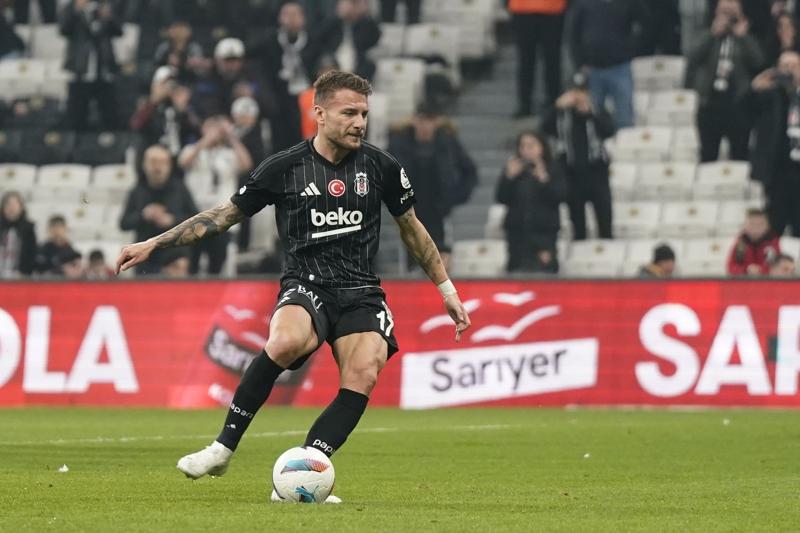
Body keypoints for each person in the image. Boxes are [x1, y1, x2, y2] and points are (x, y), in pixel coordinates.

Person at [115, 71, 471, 502]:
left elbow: (412, 229)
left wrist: (447, 291)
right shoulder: (284, 167)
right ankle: (222, 449)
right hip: (307, 282)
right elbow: (223, 216)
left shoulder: (381, 167)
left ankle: (304, 473)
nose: (359, 123)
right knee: (285, 341)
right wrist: (154, 243)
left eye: (363, 114)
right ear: (319, 114)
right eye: (349, 113)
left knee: (365, 370)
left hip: (361, 290)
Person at [387, 103, 478, 269]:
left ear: (436, 122)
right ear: (414, 120)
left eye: (429, 120)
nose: (425, 125)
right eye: (422, 120)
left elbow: (470, 172)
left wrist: (456, 196)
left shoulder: (448, 143)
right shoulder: (399, 143)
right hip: (410, 210)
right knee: (411, 256)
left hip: (439, 210)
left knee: (441, 258)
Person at [686, 0, 764, 162]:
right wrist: (712, 34)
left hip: (738, 104)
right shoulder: (707, 32)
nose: (728, 17)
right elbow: (693, 56)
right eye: (724, 11)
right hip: (709, 103)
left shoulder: (747, 35)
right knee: (708, 155)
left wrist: (743, 37)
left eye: (732, 12)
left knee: (740, 154)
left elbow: (758, 61)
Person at [541, 73, 615, 240]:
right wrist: (556, 107)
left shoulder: (597, 108)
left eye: (582, 91)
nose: (577, 96)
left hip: (596, 172)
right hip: (571, 173)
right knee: (577, 226)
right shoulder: (560, 113)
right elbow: (544, 129)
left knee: (605, 221)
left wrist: (590, 113)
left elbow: (609, 130)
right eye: (574, 91)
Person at [179, 116, 253, 275]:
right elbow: (183, 162)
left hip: (221, 217)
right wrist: (204, 142)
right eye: (210, 127)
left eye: (217, 128)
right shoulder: (192, 149)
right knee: (193, 263)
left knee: (221, 263)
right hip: (195, 215)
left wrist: (231, 137)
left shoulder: (229, 154)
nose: (214, 132)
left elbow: (247, 164)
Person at [248, 1, 320, 151]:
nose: (292, 19)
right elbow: (250, 57)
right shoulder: (269, 41)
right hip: (278, 97)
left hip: (307, 96)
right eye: (287, 14)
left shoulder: (313, 41)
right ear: (279, 18)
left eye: (296, 14)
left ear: (304, 18)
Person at [568, 0, 648, 129]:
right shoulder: (582, 3)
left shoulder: (628, 2)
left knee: (625, 119)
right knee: (593, 118)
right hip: (591, 70)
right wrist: (579, 63)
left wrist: (632, 49)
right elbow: (573, 34)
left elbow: (645, 22)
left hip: (620, 67)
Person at [119, 144, 198, 274]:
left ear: (169, 165)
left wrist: (172, 220)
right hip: (146, 252)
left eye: (162, 162)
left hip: (174, 249)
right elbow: (124, 223)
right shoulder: (137, 190)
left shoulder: (179, 189)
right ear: (144, 165)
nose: (157, 167)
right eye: (153, 162)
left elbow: (195, 218)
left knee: (181, 261)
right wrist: (144, 215)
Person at [496, 131, 567, 273]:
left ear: (542, 147)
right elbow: (501, 197)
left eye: (531, 145)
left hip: (544, 233)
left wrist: (544, 179)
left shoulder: (553, 168)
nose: (526, 150)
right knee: (516, 271)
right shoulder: (514, 168)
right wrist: (509, 177)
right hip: (517, 234)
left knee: (544, 271)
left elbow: (560, 196)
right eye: (522, 146)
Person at [750, 50, 800, 236]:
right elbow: (742, 115)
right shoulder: (769, 96)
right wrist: (754, 89)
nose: (790, 71)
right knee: (774, 226)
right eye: (785, 66)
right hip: (777, 170)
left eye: (794, 66)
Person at [59, 0, 123, 131]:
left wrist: (108, 17)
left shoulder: (106, 5)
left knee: (110, 117)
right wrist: (76, 10)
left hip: (104, 71)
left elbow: (119, 31)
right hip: (80, 72)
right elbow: (63, 29)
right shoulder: (70, 7)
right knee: (76, 117)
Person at [509, 0, 567, 118]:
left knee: (528, 61)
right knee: (551, 60)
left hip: (528, 9)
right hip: (549, 9)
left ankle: (527, 104)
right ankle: (551, 102)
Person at [129, 66, 201, 156]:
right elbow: (136, 126)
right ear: (155, 85)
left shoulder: (177, 105)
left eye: (173, 83)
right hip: (155, 153)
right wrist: (154, 100)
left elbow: (197, 129)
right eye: (165, 83)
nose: (169, 87)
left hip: (178, 153)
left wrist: (184, 109)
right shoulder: (148, 105)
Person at [317, 0, 381, 80]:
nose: (351, 8)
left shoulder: (364, 26)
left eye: (355, 3)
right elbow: (317, 37)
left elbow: (375, 37)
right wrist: (338, 15)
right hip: (331, 69)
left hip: (356, 72)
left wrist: (365, 14)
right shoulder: (332, 25)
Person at [726, 208, 781, 276]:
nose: (756, 228)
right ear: (744, 226)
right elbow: (731, 267)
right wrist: (746, 270)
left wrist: (761, 270)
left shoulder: (773, 243)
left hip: (767, 281)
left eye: (760, 224)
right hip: (745, 281)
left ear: (767, 226)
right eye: (752, 224)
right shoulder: (740, 243)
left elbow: (778, 267)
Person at [152, 19, 206, 85]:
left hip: (189, 77)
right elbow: (157, 63)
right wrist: (168, 60)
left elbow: (199, 64)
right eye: (177, 29)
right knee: (163, 71)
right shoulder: (165, 47)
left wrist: (186, 62)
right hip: (168, 77)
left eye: (182, 29)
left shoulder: (194, 47)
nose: (180, 32)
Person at [0, 191, 36, 279]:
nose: (11, 208)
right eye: (8, 204)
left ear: (21, 207)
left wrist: (24, 272)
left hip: (20, 277)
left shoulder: (28, 229)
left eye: (14, 204)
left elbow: (32, 254)